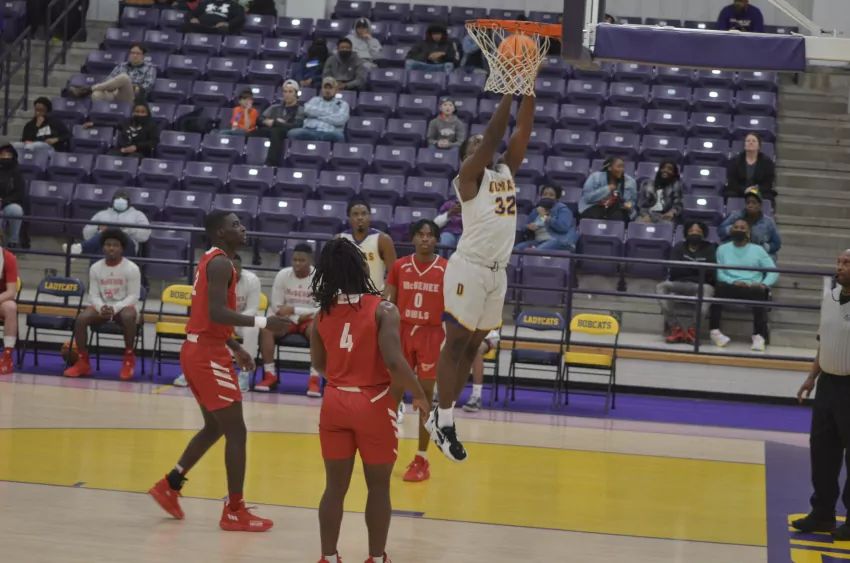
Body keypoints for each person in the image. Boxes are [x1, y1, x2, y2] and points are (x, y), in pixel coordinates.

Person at [148, 211, 290, 530]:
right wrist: (264, 321)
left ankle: (170, 485)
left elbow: (206, 316)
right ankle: (234, 510)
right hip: (206, 355)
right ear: (221, 233)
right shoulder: (221, 263)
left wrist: (235, 347)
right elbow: (216, 312)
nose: (243, 228)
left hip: (200, 349)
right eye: (235, 224)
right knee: (237, 431)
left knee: (214, 427)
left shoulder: (214, 260)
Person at [427, 90, 538, 462]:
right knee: (456, 344)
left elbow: (522, 130)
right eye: (472, 144)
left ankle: (444, 415)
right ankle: (443, 421)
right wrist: (508, 90)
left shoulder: (504, 171)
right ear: (467, 158)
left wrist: (529, 88)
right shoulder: (467, 178)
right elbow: (493, 138)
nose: (479, 142)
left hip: (496, 273)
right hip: (469, 268)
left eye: (480, 140)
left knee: (474, 347)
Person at [309, 237, 428, 563]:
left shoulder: (322, 314)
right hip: (372, 402)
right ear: (361, 266)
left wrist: (343, 377)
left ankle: (328, 557)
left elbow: (320, 364)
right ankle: (376, 558)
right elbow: (394, 362)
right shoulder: (383, 309)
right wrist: (419, 394)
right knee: (378, 488)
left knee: (334, 488)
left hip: (334, 401)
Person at [384, 219, 447, 482]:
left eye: (430, 235)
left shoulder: (446, 269)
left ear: (436, 240)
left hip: (431, 334)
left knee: (425, 395)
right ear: (413, 238)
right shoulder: (400, 266)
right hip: (402, 331)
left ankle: (422, 458)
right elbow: (387, 300)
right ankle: (385, 451)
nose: (425, 239)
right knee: (393, 393)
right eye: (420, 234)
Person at [793, 249, 850, 540]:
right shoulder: (830, 297)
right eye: (839, 262)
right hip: (828, 384)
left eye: (847, 263)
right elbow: (823, 342)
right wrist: (811, 377)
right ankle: (822, 514)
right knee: (823, 451)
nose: (839, 267)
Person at [63, 229, 141, 380]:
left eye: (115, 245)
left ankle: (129, 358)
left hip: (123, 307)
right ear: (103, 247)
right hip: (102, 306)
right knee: (81, 318)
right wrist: (101, 307)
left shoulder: (132, 268)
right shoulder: (95, 267)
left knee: (128, 316)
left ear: (122, 248)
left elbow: (134, 296)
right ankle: (83, 362)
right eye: (108, 244)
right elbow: (93, 294)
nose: (111, 248)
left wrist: (115, 308)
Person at [255, 243, 320, 395]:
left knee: (318, 330)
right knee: (266, 328)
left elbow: (322, 309)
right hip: (287, 319)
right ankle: (270, 375)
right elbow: (276, 306)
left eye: (301, 260)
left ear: (310, 261)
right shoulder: (283, 275)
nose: (297, 263)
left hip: (309, 319)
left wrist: (294, 310)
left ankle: (314, 379)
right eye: (295, 260)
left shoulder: (320, 277)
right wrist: (297, 317)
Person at [709, 219, 777, 351]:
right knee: (718, 288)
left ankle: (759, 336)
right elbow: (719, 273)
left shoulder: (758, 250)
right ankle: (715, 332)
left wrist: (764, 284)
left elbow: (773, 271)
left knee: (759, 292)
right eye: (736, 227)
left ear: (748, 232)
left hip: (751, 287)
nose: (739, 230)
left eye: (742, 228)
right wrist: (733, 281)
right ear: (731, 230)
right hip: (731, 285)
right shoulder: (722, 249)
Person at [656, 221, 717, 344]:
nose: (694, 233)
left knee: (707, 291)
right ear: (686, 233)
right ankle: (676, 329)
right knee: (661, 286)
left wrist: (687, 267)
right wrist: (699, 268)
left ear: (704, 234)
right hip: (679, 283)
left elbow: (710, 271)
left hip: (701, 285)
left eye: (698, 231)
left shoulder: (709, 248)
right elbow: (675, 269)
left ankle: (693, 330)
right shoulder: (679, 247)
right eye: (691, 231)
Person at [65, 190, 151, 258]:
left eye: (123, 199)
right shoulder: (102, 214)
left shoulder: (138, 215)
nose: (120, 201)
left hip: (126, 246)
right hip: (103, 247)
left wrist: (128, 230)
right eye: (117, 199)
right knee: (107, 233)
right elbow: (86, 234)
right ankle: (79, 249)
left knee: (112, 230)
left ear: (128, 202)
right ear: (113, 201)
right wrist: (98, 228)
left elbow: (145, 236)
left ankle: (80, 248)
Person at [338, 198, 397, 292]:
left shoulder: (382, 240)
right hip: (346, 296)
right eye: (355, 214)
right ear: (349, 218)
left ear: (370, 216)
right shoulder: (339, 239)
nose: (360, 217)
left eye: (364, 214)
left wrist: (386, 296)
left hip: (374, 296)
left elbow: (394, 275)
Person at [69, 44, 157, 102]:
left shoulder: (150, 68)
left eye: (138, 53)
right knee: (97, 95)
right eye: (132, 53)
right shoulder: (122, 65)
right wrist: (113, 86)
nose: (135, 55)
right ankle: (101, 121)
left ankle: (89, 89)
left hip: (133, 97)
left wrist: (133, 87)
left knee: (124, 77)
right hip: (114, 93)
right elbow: (109, 80)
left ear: (143, 55)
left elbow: (146, 87)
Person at [248, 79, 304, 167]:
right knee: (252, 133)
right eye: (285, 92)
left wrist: (276, 123)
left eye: (290, 92)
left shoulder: (300, 109)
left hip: (286, 131)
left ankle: (271, 163)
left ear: (296, 94)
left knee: (277, 132)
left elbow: (296, 125)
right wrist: (265, 121)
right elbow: (259, 119)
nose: (287, 94)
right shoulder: (274, 107)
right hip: (271, 129)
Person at [718, 187, 781, 261]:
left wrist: (763, 248)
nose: (750, 205)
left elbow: (776, 244)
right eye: (748, 202)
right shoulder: (734, 216)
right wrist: (732, 229)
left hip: (757, 253)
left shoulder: (769, 222)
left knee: (771, 257)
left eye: (754, 203)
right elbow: (720, 231)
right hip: (735, 250)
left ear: (760, 205)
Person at [514, 185, 579, 253]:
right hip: (539, 241)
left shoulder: (563, 210)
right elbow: (523, 225)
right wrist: (528, 226)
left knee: (537, 252)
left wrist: (545, 216)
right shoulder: (537, 210)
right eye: (545, 195)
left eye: (551, 195)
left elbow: (563, 227)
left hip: (561, 241)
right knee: (518, 248)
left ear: (556, 198)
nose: (547, 197)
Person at [84, 101, 158, 159]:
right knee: (109, 156)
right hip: (122, 150)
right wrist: (94, 123)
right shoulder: (127, 122)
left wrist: (136, 147)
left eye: (142, 112)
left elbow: (153, 142)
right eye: (137, 111)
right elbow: (112, 124)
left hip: (140, 153)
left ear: (147, 113)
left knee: (131, 159)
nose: (139, 114)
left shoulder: (152, 126)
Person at [287, 78, 350, 143]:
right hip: (310, 131)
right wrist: (330, 114)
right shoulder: (315, 100)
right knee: (293, 133)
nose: (327, 91)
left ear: (336, 90)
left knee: (339, 136)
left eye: (330, 88)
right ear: (322, 89)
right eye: (325, 88)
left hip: (329, 132)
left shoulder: (342, 104)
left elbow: (340, 120)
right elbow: (306, 110)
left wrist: (316, 116)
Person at [578, 156, 638, 222]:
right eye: (619, 167)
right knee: (594, 215)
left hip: (618, 209)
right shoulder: (595, 177)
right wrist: (607, 189)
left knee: (618, 216)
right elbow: (588, 198)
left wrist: (628, 205)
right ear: (609, 167)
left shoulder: (629, 181)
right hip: (594, 205)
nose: (622, 169)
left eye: (622, 167)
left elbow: (632, 202)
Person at [724, 133, 776, 203]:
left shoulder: (767, 162)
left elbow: (768, 183)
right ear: (744, 145)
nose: (750, 142)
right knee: (730, 194)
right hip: (739, 191)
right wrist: (745, 190)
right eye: (748, 141)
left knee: (768, 197)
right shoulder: (735, 161)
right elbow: (732, 182)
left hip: (758, 191)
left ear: (759, 146)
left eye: (754, 141)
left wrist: (755, 189)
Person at [461, 329, 500, 412]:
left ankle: (476, 397)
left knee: (476, 349)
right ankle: (441, 391)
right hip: (465, 334)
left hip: (487, 335)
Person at [636, 160, 684, 224]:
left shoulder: (676, 185)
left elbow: (678, 204)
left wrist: (672, 212)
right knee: (638, 222)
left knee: (667, 225)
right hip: (649, 214)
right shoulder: (648, 184)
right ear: (660, 170)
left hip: (665, 216)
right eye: (663, 168)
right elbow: (642, 205)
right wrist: (645, 215)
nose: (666, 170)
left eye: (670, 169)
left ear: (673, 173)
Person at [0, 145, 27, 249]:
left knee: (16, 211)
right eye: (3, 155)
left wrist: (3, 202)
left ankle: (13, 241)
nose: (5, 157)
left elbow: (19, 193)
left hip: (8, 202)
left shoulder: (17, 171)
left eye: (8, 155)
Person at [0, 237, 19, 374]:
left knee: (11, 307)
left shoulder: (8, 258)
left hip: (1, 298)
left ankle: (7, 357)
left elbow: (11, 292)